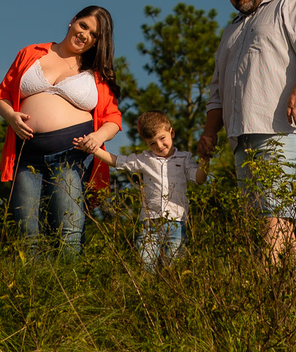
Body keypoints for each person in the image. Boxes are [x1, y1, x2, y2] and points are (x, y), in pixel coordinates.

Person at [197, 0, 296, 262]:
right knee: (270, 223)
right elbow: (217, 90)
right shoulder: (231, 31)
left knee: (273, 216)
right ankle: (294, 289)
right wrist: (209, 133)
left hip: (286, 130)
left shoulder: (291, 0)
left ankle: (262, 284)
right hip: (243, 137)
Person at [0, 5, 122, 256]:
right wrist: (11, 116)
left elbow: (113, 118)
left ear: (97, 42)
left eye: (94, 35)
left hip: (72, 155)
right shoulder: (31, 53)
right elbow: (1, 95)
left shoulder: (97, 73)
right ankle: (34, 281)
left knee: (68, 231)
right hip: (26, 154)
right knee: (27, 232)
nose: (85, 35)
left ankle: (69, 280)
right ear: (73, 21)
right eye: (83, 26)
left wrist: (98, 137)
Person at [81, 110, 208, 271]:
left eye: (162, 138)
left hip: (176, 221)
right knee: (145, 264)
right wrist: (93, 149)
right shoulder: (145, 159)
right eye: (152, 143)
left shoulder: (184, 159)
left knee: (174, 266)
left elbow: (199, 178)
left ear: (172, 132)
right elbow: (117, 161)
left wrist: (205, 159)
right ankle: (145, 287)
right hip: (150, 222)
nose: (159, 146)